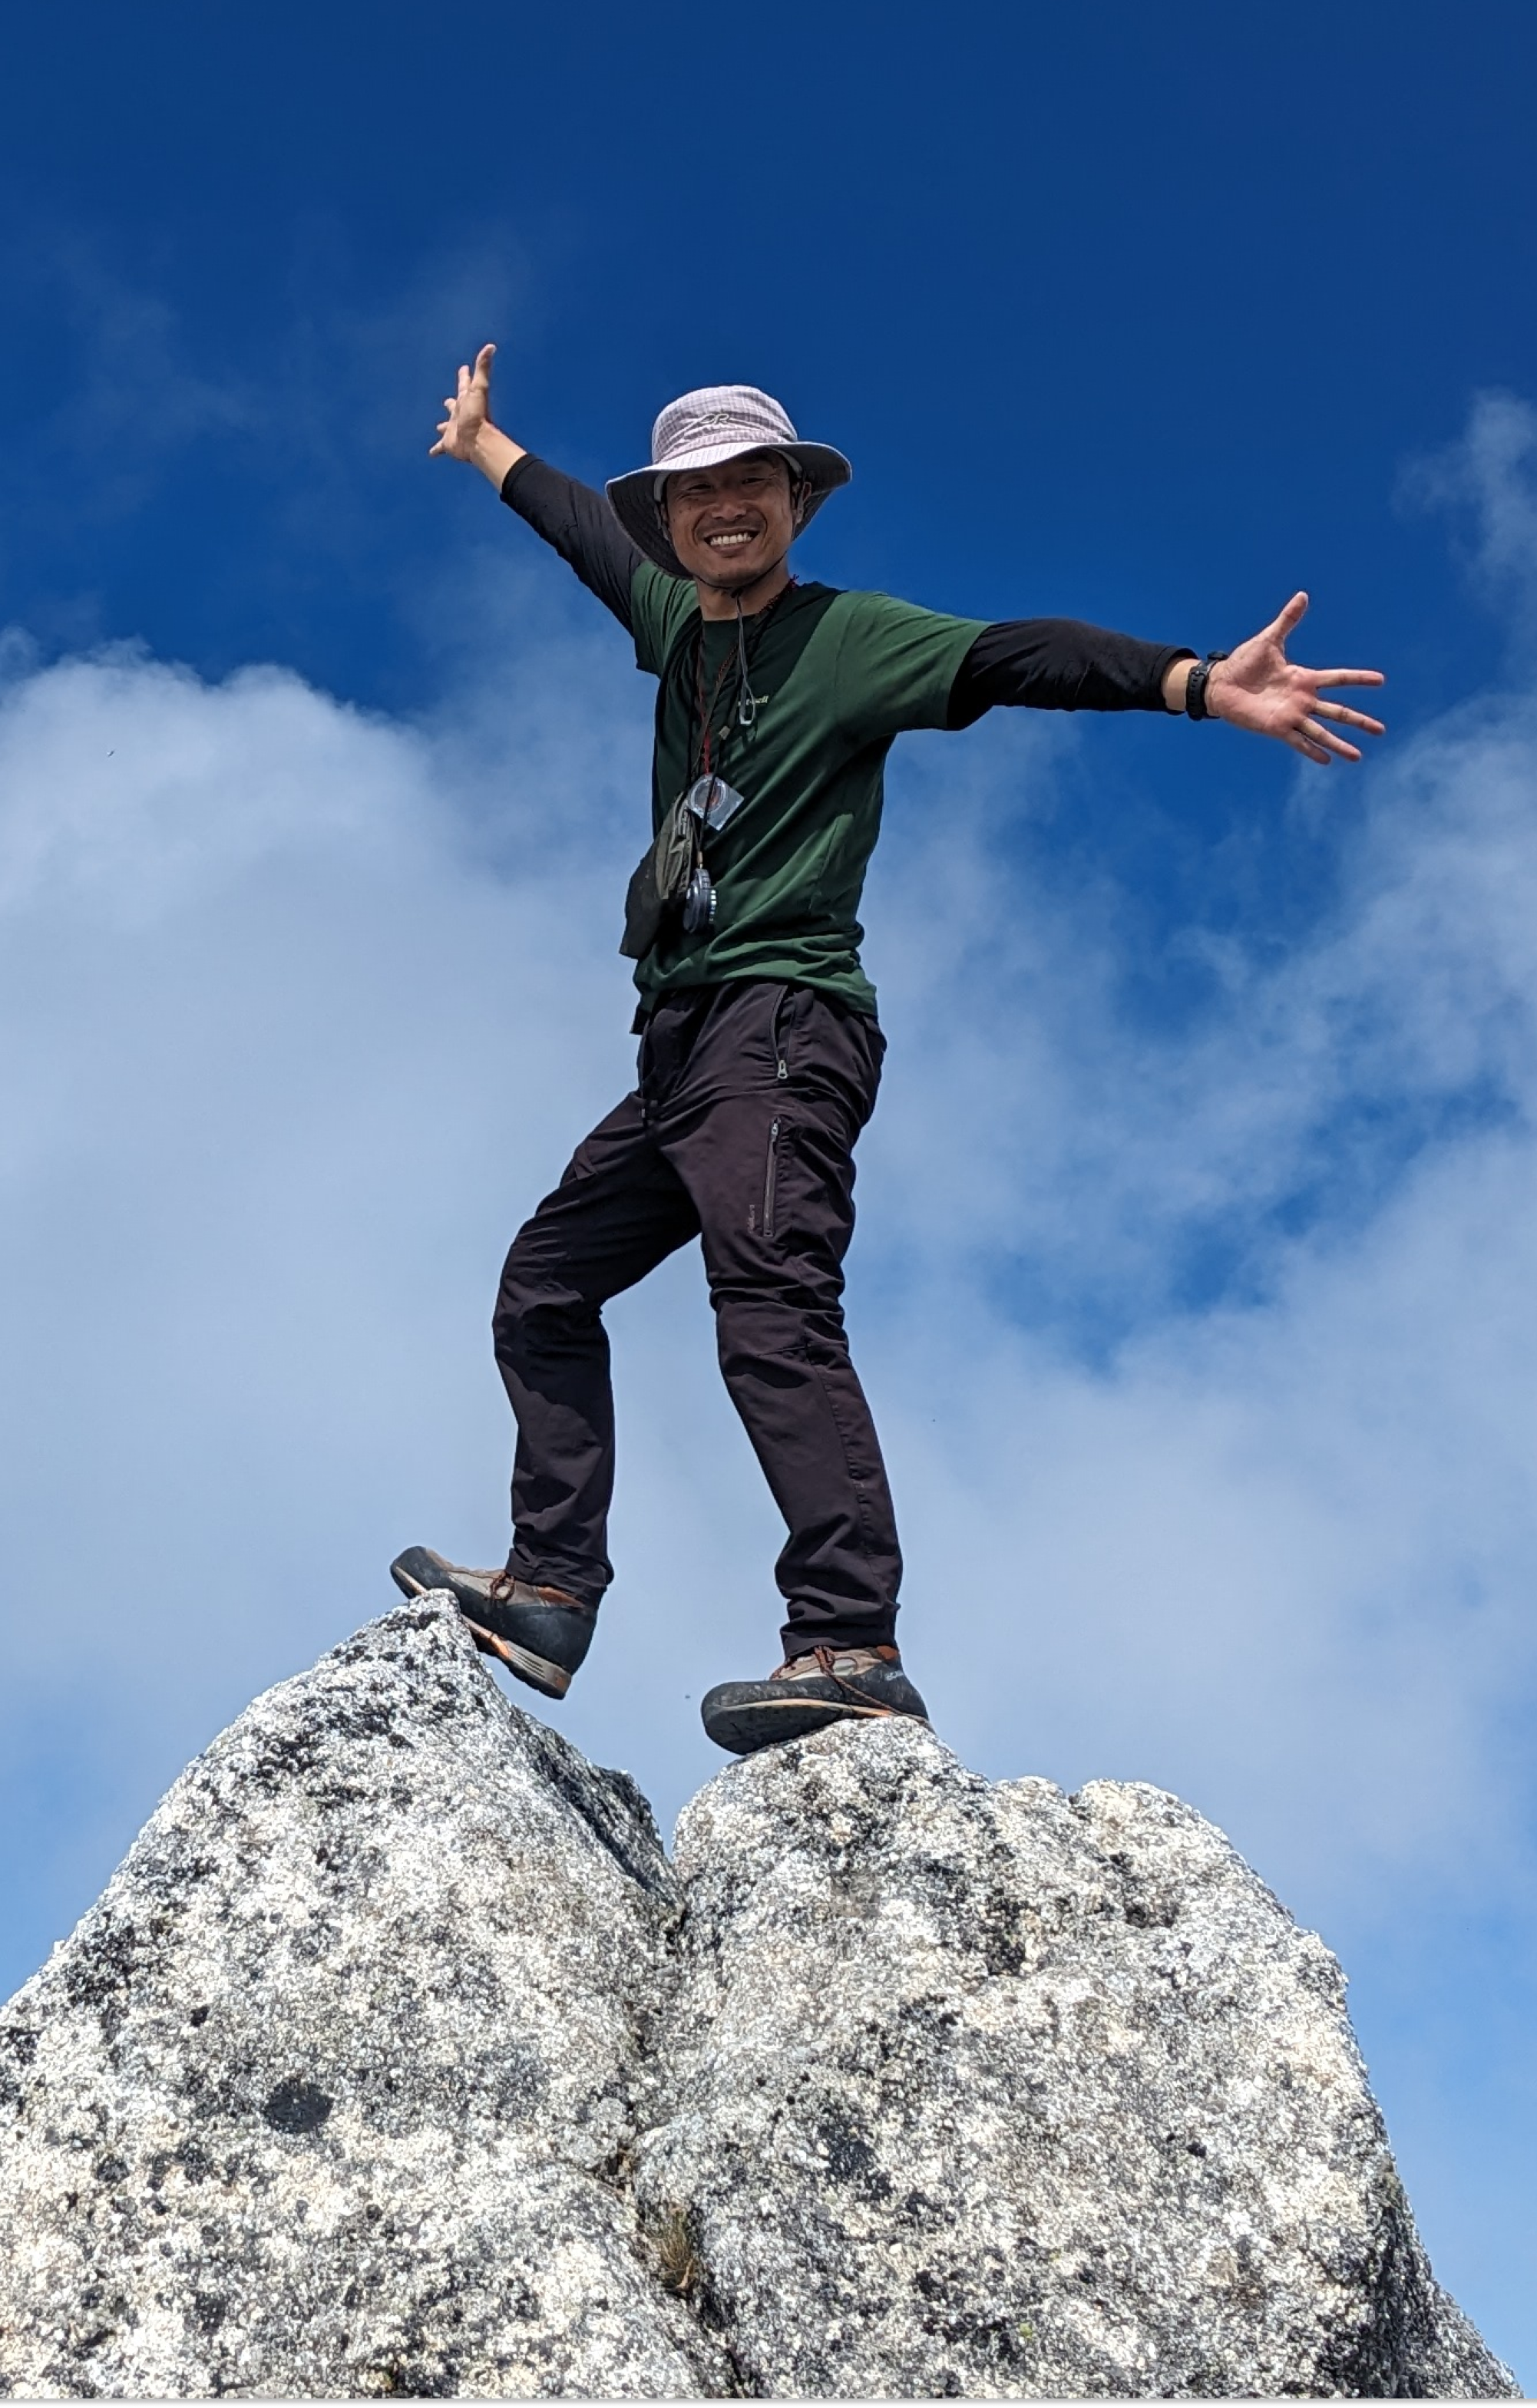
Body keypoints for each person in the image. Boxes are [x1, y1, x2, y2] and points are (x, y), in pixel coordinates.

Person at [392, 348, 1383, 1754]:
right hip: (679, 1046)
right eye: (696, 492)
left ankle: (849, 1640)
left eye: (752, 482)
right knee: (543, 1288)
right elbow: (572, 522)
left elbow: (1011, 655)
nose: (725, 508)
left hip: (782, 1027)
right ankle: (550, 1589)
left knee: (771, 1308)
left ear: (796, 501)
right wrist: (488, 446)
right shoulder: (672, 616)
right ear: (668, 521)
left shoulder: (851, 640)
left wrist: (1190, 683)